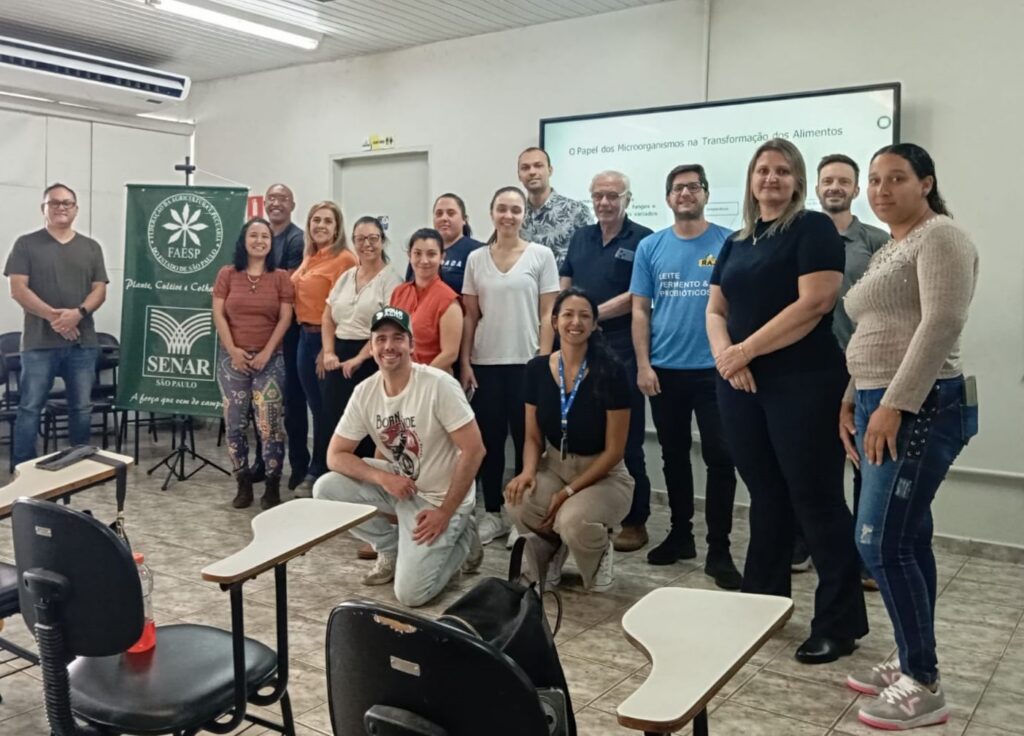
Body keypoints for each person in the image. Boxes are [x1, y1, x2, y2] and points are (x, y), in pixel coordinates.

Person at [707, 138, 868, 664]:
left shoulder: (813, 228)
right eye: (762, 171)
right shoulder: (737, 240)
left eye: (781, 171)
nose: (770, 179)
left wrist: (746, 351)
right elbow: (715, 308)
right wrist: (729, 358)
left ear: (797, 181)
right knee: (767, 495)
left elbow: (817, 302)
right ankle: (763, 603)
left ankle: (839, 624)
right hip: (741, 385)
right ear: (751, 181)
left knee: (815, 500)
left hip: (804, 381)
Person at [840, 144, 978, 730]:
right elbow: (878, 327)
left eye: (896, 178)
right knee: (908, 538)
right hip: (879, 399)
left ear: (926, 183)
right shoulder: (894, 244)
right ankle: (909, 653)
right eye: (874, 179)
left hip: (921, 405)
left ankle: (924, 682)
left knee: (879, 544)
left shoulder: (940, 235)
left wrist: (894, 404)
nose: (881, 189)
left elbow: (942, 321)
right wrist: (853, 397)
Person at [313, 307, 486, 607]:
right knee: (326, 488)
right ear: (372, 346)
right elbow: (335, 455)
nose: (389, 346)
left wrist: (445, 512)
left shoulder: (438, 385)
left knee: (411, 595)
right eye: (380, 339)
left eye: (397, 338)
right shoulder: (364, 392)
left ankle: (462, 540)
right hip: (402, 486)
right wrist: (384, 477)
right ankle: (390, 548)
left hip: (442, 496)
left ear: (412, 344)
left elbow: (475, 450)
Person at [630, 165, 741, 590]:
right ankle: (681, 536)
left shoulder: (728, 243)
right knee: (673, 456)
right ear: (667, 198)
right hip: (665, 370)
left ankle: (719, 548)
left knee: (721, 457)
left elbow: (737, 304)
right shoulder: (651, 247)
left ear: (706, 194)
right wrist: (643, 364)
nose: (685, 194)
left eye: (693, 187)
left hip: (716, 370)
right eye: (677, 188)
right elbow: (640, 309)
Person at [790, 156, 889, 585]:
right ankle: (803, 542)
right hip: (807, 368)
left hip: (863, 369)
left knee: (865, 464)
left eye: (843, 182)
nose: (834, 187)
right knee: (808, 460)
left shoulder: (875, 240)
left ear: (855, 190)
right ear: (816, 187)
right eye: (827, 180)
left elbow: (889, 307)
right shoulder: (797, 234)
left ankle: (865, 555)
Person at [505, 288, 634, 592]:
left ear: (594, 325)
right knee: (518, 500)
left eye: (584, 316)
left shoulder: (611, 371)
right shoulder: (537, 369)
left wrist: (567, 492)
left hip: (604, 474)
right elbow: (533, 436)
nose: (575, 322)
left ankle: (599, 552)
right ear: (554, 321)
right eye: (567, 314)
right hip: (555, 465)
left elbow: (615, 450)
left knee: (572, 520)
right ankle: (549, 551)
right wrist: (526, 472)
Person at [559, 171, 653, 553]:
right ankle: (593, 513)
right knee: (588, 436)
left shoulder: (644, 238)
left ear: (627, 199)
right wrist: (569, 318)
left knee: (627, 441)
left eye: (612, 195)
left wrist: (588, 314)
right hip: (579, 349)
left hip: (624, 348)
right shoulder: (581, 236)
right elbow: (565, 284)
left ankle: (636, 520)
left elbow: (638, 295)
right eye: (598, 195)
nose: (604, 202)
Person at [461, 186, 560, 545]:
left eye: (515, 210)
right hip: (485, 363)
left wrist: (544, 360)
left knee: (527, 441)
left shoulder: (541, 256)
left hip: (527, 364)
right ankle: (492, 515)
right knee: (488, 441)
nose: (508, 216)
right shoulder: (476, 259)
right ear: (491, 213)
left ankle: (521, 517)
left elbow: (549, 312)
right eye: (502, 209)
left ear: (524, 215)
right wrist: (465, 362)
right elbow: (470, 316)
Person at [4, 183, 108, 465]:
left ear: (76, 209)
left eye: (67, 203)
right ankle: (24, 467)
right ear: (44, 208)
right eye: (54, 203)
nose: (61, 207)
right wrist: (56, 317)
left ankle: (79, 464)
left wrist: (78, 313)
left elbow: (99, 289)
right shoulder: (26, 244)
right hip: (38, 344)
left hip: (82, 344)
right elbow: (18, 289)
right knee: (30, 408)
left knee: (81, 409)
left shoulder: (91, 247)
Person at [212, 218, 294, 509]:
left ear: (272, 244)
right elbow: (219, 314)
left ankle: (272, 484)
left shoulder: (281, 276)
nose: (260, 241)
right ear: (244, 240)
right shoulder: (227, 274)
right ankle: (242, 481)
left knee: (269, 425)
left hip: (270, 360)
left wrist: (266, 352)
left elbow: (285, 318)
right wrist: (233, 350)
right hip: (232, 361)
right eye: (254, 235)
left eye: (265, 237)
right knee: (234, 424)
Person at [291, 201, 357, 496]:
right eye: (315, 220)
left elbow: (344, 308)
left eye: (327, 221)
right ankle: (320, 470)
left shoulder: (345, 259)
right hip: (303, 337)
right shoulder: (310, 257)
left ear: (337, 227)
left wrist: (326, 349)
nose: (320, 225)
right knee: (315, 410)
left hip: (325, 341)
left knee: (325, 412)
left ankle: (320, 471)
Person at [321, 216, 402, 459]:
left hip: (371, 360)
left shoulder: (391, 280)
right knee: (334, 420)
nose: (367, 244)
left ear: (382, 241)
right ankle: (335, 477)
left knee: (366, 425)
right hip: (338, 358)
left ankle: (365, 484)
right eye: (360, 239)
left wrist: (358, 358)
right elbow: (327, 317)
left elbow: (385, 329)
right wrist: (328, 352)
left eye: (373, 238)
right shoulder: (347, 276)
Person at [263, 183, 310, 491]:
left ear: (292, 205)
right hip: (259, 333)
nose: (276, 203)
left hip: (291, 335)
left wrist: (258, 289)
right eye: (271, 198)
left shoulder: (297, 240)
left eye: (282, 199)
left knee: (293, 405)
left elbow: (287, 288)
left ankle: (299, 465)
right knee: (262, 406)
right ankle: (263, 464)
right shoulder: (259, 235)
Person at [391, 228, 463, 371]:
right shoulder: (399, 292)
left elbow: (450, 354)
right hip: (398, 377)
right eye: (417, 253)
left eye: (431, 254)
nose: (424, 260)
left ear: (442, 257)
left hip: (433, 381)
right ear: (409, 256)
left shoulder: (449, 300)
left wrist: (419, 379)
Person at [517, 147, 593, 267]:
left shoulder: (576, 211)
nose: (532, 172)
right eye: (525, 168)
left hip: (563, 285)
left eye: (538, 165)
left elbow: (590, 258)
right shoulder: (515, 216)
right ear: (519, 176)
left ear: (550, 170)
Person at [404, 194, 483, 295]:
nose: (444, 218)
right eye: (439, 213)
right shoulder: (421, 250)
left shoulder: (477, 251)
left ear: (464, 219)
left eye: (451, 213)